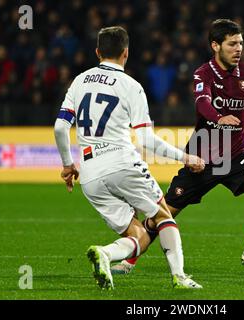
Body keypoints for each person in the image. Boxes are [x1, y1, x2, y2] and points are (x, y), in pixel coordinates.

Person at [112, 19, 244, 274]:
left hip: (236, 156)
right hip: (201, 160)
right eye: (231, 44)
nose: (238, 49)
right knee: (163, 214)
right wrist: (218, 118)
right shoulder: (203, 74)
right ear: (215, 46)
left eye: (240, 43)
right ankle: (128, 262)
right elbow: (202, 103)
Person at [54, 26, 205, 290]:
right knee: (164, 217)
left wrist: (68, 164)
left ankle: (106, 253)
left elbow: (59, 127)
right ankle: (180, 277)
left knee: (139, 234)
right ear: (126, 52)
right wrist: (185, 157)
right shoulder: (131, 86)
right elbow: (145, 140)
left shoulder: (79, 81)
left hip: (89, 173)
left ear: (98, 52)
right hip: (121, 161)